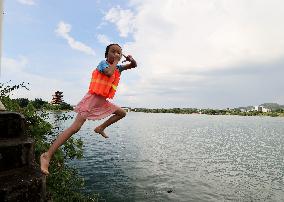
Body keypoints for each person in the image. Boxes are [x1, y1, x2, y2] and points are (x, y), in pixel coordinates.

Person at [40, 43, 137, 175]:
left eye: (119, 53)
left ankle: (100, 128)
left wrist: (131, 60)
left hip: (102, 102)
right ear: (106, 54)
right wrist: (116, 62)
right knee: (75, 128)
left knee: (122, 113)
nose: (116, 54)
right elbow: (109, 72)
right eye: (113, 51)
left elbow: (134, 65)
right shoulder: (103, 64)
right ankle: (47, 155)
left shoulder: (118, 67)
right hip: (91, 100)